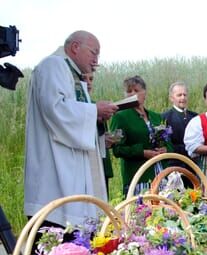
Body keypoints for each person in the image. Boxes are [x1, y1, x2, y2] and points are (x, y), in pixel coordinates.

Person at [24, 30, 118, 228]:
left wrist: (97, 117)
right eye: (94, 53)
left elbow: (76, 116)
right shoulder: (53, 65)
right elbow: (55, 109)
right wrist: (94, 110)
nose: (96, 60)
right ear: (76, 47)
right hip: (54, 171)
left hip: (73, 169)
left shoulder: (72, 73)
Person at [111, 75, 173, 195]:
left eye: (136, 90)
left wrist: (165, 149)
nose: (132, 94)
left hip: (161, 175)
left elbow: (169, 143)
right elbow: (117, 150)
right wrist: (142, 152)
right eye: (129, 91)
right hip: (138, 177)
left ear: (144, 93)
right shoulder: (120, 117)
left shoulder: (156, 117)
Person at [83, 72, 116, 197]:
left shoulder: (98, 106)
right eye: (84, 78)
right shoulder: (80, 107)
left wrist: (106, 139)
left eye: (91, 79)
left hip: (101, 161)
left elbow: (101, 133)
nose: (88, 82)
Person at [161, 81, 198, 165]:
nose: (183, 98)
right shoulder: (165, 118)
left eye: (185, 95)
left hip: (195, 165)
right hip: (175, 165)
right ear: (171, 98)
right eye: (179, 95)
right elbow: (166, 146)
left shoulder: (195, 117)